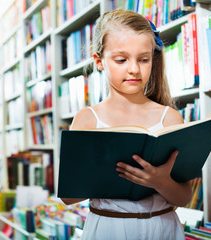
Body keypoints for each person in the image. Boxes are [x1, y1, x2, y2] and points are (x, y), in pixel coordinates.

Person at [60, 9, 192, 239]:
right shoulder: (87, 119)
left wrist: (159, 181)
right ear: (99, 62)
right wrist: (104, 175)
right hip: (108, 228)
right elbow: (68, 197)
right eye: (121, 60)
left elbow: (183, 197)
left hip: (162, 228)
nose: (134, 69)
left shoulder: (170, 118)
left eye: (144, 59)